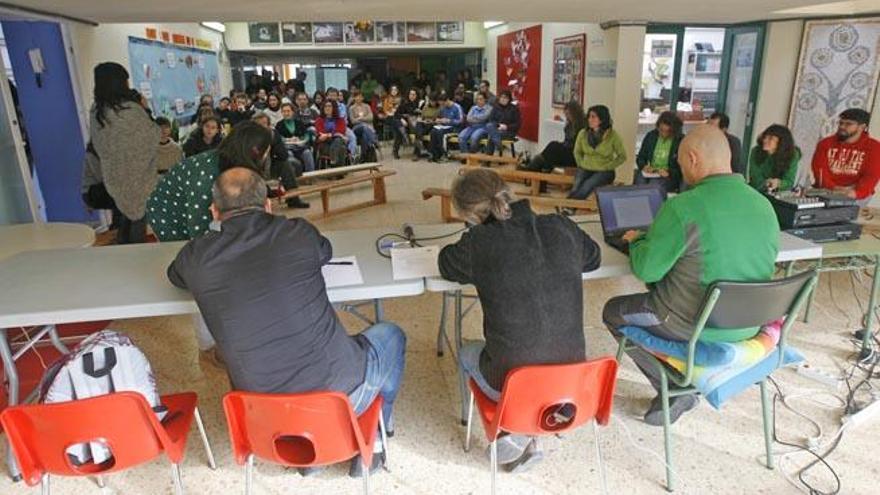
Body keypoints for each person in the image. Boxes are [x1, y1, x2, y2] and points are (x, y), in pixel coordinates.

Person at [167, 167, 406, 476]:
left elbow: (175, 276)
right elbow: (325, 251)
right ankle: (374, 440)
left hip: (262, 416)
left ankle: (309, 457)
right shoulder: (297, 233)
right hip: (340, 395)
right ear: (268, 205)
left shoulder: (195, 257)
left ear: (214, 211)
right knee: (391, 335)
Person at [603, 125, 780, 426]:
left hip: (691, 325)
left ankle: (674, 387)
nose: (679, 168)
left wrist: (636, 240)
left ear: (694, 158)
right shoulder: (763, 205)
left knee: (613, 311)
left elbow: (646, 269)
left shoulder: (683, 207)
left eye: (680, 161)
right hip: (749, 324)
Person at [439, 168, 601, 470]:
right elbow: (594, 257)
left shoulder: (478, 242)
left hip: (513, 382)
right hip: (573, 381)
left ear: (469, 214)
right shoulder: (561, 225)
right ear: (508, 192)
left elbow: (446, 264)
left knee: (465, 352)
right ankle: (535, 423)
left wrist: (471, 234)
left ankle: (507, 430)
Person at [89, 62, 159, 244]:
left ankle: (121, 252)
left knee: (122, 221)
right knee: (137, 223)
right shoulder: (131, 110)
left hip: (114, 177)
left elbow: (100, 144)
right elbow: (152, 135)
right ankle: (134, 258)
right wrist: (146, 109)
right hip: (138, 177)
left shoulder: (97, 111)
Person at [812, 108, 880, 206]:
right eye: (841, 123)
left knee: (847, 216)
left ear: (862, 127)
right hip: (827, 190)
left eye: (848, 124)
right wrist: (834, 188)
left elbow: (871, 177)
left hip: (856, 194)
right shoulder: (825, 143)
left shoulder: (875, 147)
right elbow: (820, 172)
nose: (842, 127)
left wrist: (855, 193)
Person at [565, 105, 626, 210]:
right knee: (577, 186)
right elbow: (577, 152)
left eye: (593, 117)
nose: (590, 119)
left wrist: (608, 166)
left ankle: (568, 207)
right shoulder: (583, 133)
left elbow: (622, 156)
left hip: (605, 171)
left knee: (588, 185)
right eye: (589, 116)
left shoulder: (613, 135)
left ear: (602, 119)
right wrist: (580, 163)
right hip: (586, 167)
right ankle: (569, 207)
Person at [253, 112, 309, 209]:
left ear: (268, 125)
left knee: (285, 164)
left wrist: (272, 140)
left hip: (268, 166)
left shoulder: (273, 134)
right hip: (252, 168)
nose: (261, 127)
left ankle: (293, 199)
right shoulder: (248, 137)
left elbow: (283, 155)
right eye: (258, 124)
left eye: (264, 124)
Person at [521, 100, 586, 172]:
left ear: (575, 113)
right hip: (568, 149)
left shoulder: (582, 126)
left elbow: (576, 144)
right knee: (552, 149)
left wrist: (563, 146)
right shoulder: (570, 124)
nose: (567, 116)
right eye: (566, 114)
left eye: (568, 114)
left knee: (553, 147)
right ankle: (539, 168)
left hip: (574, 154)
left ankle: (534, 167)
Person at [634, 111, 683, 193]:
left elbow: (682, 168)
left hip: (668, 175)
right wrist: (644, 166)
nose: (662, 134)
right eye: (660, 130)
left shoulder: (680, 141)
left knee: (654, 185)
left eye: (666, 131)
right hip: (651, 171)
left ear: (673, 130)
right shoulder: (651, 136)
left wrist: (669, 173)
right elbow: (641, 157)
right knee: (639, 181)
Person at [748, 124, 800, 193]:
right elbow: (755, 177)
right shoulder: (756, 151)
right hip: (756, 192)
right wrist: (766, 184)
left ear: (781, 142)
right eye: (765, 137)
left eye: (770, 138)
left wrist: (778, 183)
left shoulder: (792, 155)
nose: (765, 140)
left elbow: (789, 181)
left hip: (779, 194)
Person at [276, 102, 316, 173]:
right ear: (281, 113)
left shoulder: (299, 122)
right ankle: (293, 177)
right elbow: (278, 138)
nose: (286, 113)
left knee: (307, 153)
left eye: (288, 111)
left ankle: (310, 176)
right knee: (289, 154)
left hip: (300, 147)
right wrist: (287, 139)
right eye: (284, 111)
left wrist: (300, 139)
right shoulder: (279, 125)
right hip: (287, 148)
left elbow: (306, 135)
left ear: (292, 112)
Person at [428, 93, 464, 162]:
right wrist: (438, 120)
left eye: (443, 104)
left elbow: (461, 121)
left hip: (455, 128)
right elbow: (439, 117)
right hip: (444, 127)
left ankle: (444, 154)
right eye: (441, 104)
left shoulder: (457, 107)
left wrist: (449, 121)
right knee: (433, 131)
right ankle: (434, 154)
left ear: (447, 100)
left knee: (441, 133)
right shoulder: (443, 108)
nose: (442, 106)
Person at [315, 100, 350, 167]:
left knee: (338, 141)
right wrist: (333, 134)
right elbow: (321, 133)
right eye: (325, 106)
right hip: (325, 144)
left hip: (337, 142)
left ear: (334, 108)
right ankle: (339, 172)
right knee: (341, 147)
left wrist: (328, 135)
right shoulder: (319, 120)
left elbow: (341, 131)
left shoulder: (340, 120)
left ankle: (333, 163)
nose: (327, 108)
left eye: (329, 106)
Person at [485, 90, 520, 156]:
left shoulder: (514, 109)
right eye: (502, 97)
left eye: (505, 98)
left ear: (509, 99)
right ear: (499, 98)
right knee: (489, 125)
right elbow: (491, 120)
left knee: (491, 137)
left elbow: (518, 124)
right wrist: (498, 125)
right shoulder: (496, 107)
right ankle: (498, 145)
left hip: (509, 132)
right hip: (497, 129)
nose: (503, 99)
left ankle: (487, 161)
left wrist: (507, 127)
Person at [325, 87, 358, 157]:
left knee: (352, 137)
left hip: (342, 127)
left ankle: (351, 155)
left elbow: (341, 117)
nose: (332, 97)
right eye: (330, 95)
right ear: (327, 96)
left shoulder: (342, 106)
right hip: (328, 127)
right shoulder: (325, 105)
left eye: (334, 95)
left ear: (337, 97)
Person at [393, 88, 425, 159]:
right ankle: (404, 136)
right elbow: (396, 114)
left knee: (399, 127)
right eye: (410, 94)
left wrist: (418, 112)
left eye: (414, 95)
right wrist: (402, 119)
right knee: (398, 124)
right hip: (405, 124)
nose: (412, 96)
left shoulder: (419, 104)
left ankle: (406, 140)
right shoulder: (404, 103)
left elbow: (422, 114)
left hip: (414, 124)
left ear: (417, 95)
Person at [349, 89, 379, 162]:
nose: (359, 98)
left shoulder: (367, 106)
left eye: (360, 97)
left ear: (363, 98)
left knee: (364, 136)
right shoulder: (351, 108)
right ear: (354, 98)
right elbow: (353, 121)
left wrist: (361, 118)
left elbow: (371, 117)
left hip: (368, 129)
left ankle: (363, 156)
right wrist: (364, 120)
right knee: (364, 126)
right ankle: (374, 141)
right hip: (357, 128)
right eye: (357, 97)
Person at [414, 92, 440, 161]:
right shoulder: (426, 107)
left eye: (433, 101)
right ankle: (418, 152)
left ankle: (419, 151)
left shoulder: (439, 108)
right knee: (418, 124)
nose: (432, 103)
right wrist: (422, 120)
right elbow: (421, 117)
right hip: (424, 123)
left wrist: (431, 121)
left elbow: (438, 119)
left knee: (421, 130)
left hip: (433, 124)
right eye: (431, 101)